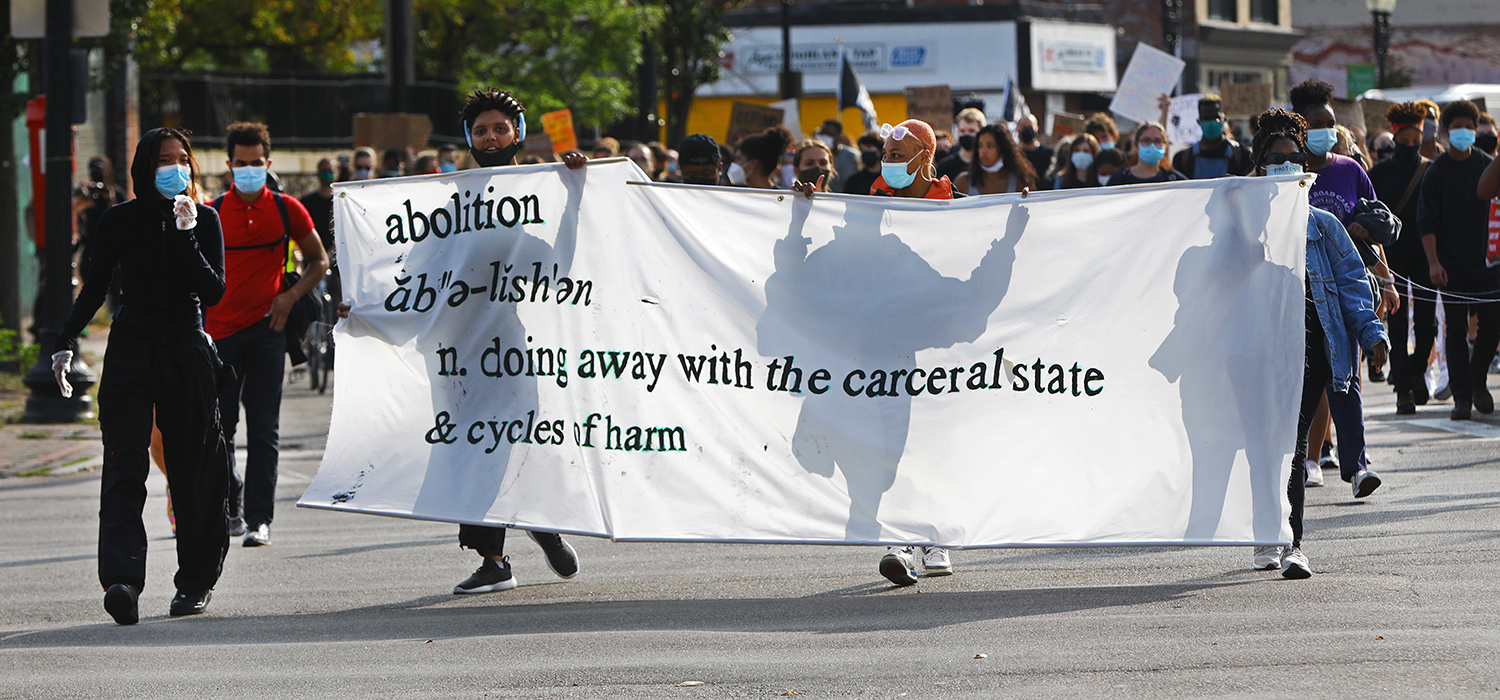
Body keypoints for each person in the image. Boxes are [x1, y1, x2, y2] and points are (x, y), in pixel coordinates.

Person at [50, 127, 231, 624]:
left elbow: (213, 292)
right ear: (143, 169)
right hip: (132, 348)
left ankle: (194, 584)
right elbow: (95, 286)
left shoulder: (206, 220)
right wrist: (66, 338)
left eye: (182, 159)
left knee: (194, 472)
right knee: (125, 463)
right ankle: (123, 581)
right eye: (163, 161)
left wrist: (186, 235)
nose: (175, 169)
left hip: (187, 351)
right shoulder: (119, 220)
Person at [792, 119, 968, 584]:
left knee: (937, 444)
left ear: (926, 158)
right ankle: (898, 540)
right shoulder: (870, 207)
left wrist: (1014, 227)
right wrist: (799, 217)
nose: (888, 163)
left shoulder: (962, 213)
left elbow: (974, 278)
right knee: (891, 443)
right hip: (887, 356)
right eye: (886, 156)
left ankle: (935, 535)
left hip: (945, 358)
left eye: (898, 155)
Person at [434, 88, 586, 593]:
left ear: (518, 133)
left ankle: (541, 526)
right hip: (461, 351)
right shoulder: (453, 199)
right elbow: (421, 268)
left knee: (509, 445)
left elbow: (561, 261)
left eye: (500, 127)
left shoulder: (539, 191)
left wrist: (576, 191)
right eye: (480, 130)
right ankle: (495, 560)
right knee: (475, 449)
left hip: (510, 347)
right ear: (468, 139)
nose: (491, 137)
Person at [1249, 108, 1388, 578]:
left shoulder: (1325, 225)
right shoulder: (1234, 221)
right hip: (1255, 352)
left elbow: (1352, 283)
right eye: (1275, 158)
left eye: (1293, 157)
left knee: (1291, 437)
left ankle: (1293, 544)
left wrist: (1372, 335)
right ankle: (1265, 534)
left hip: (1311, 350)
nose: (1285, 165)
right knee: (1262, 446)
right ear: (1259, 165)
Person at [208, 122, 330, 548]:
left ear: (268, 163)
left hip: (267, 332)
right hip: (218, 335)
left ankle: (260, 519)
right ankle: (231, 506)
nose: (247, 170)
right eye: (240, 164)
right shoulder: (211, 212)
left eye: (255, 163)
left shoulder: (287, 209)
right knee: (219, 430)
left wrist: (290, 296)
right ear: (228, 166)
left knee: (264, 430)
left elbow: (319, 261)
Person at [1289, 78, 1390, 488]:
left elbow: (1377, 220)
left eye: (1329, 124)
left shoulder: (1350, 170)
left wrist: (1387, 279)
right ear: (1300, 128)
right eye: (1316, 124)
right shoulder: (1284, 173)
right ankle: (1307, 459)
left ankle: (1357, 466)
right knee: (1306, 381)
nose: (1325, 132)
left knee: (1346, 378)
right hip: (1296, 292)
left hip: (1345, 287)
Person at [1417, 99, 1498, 420]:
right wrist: (1434, 262)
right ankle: (1462, 398)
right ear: (1447, 132)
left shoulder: (1487, 165)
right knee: (1455, 328)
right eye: (1457, 127)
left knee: (1492, 327)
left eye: (1469, 126)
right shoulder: (1436, 172)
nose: (1464, 131)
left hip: (1488, 264)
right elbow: (1427, 222)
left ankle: (1478, 380)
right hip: (1451, 266)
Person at [1368, 102, 1436, 414]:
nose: (1410, 146)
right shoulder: (1379, 173)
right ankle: (1404, 390)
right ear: (1395, 139)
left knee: (1426, 324)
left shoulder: (1431, 169)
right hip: (1391, 256)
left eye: (1416, 140)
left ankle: (1416, 369)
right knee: (1396, 321)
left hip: (1426, 255)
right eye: (1405, 140)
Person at [1172, 94, 1254, 179]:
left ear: (1224, 119)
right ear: (1199, 121)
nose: (1211, 123)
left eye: (1216, 118)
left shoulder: (1243, 156)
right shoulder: (1183, 159)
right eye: (1206, 118)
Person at [299, 157, 339, 305]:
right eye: (324, 171)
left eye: (331, 171)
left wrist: (331, 254)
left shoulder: (341, 201)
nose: (327, 175)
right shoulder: (307, 202)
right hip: (313, 258)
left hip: (336, 261)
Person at [953, 122, 1035, 195]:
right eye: (980, 146)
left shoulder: (1021, 182)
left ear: (1002, 149)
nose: (983, 151)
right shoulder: (963, 182)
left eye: (990, 146)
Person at [1108, 122, 1187, 185]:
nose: (1152, 145)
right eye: (1146, 141)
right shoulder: (1119, 179)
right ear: (1136, 145)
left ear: (1165, 145)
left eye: (1157, 141)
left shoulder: (1175, 180)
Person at [731, 126, 793, 190]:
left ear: (752, 163)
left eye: (738, 159)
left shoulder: (783, 198)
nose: (734, 163)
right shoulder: (736, 196)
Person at [935, 108, 985, 181]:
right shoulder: (945, 167)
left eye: (971, 131)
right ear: (958, 132)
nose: (966, 134)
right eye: (962, 131)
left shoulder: (988, 166)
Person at [815, 119, 861, 192]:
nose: (825, 138)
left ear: (839, 137)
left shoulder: (853, 156)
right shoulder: (815, 156)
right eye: (823, 134)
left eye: (829, 135)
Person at [1015, 113, 1055, 190]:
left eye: (1030, 127)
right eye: (1023, 127)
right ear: (1017, 129)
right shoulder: (1014, 154)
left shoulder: (1048, 153)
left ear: (1036, 128)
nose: (1027, 130)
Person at [842, 131, 883, 195]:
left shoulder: (889, 180)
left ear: (880, 151)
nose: (865, 151)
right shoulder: (854, 181)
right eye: (861, 148)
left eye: (869, 147)